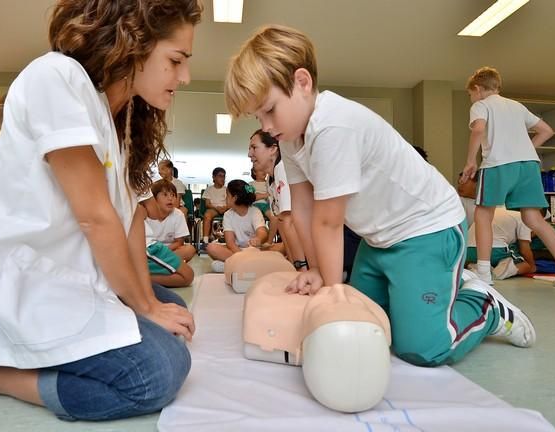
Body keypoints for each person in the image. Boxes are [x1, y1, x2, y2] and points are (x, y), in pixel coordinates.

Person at [0, 0, 202, 421]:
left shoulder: (119, 120)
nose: (185, 76)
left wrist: (148, 302)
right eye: (176, 60)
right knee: (159, 371)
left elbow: (126, 225)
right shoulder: (55, 76)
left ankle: (59, 347)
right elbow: (95, 216)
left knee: (168, 306)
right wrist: (144, 310)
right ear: (133, 44)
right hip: (14, 287)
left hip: (66, 280)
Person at [224, 25, 535, 367]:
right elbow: (303, 210)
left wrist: (330, 292)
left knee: (419, 347)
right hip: (379, 241)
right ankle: (439, 285)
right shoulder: (289, 137)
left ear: (302, 82)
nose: (265, 125)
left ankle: (485, 306)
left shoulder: (332, 126)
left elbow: (328, 222)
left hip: (428, 230)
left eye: (269, 110)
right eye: (258, 117)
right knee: (370, 324)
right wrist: (314, 271)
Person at [460, 66, 555, 288]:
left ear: (477, 88)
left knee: (483, 215)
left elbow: (478, 129)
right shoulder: (516, 106)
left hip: (497, 165)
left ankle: (483, 273)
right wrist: (525, 150)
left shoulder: (481, 105)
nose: (471, 98)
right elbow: (546, 130)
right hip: (528, 166)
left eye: (470, 94)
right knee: (534, 219)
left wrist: (471, 161)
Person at [247, 129, 307, 269]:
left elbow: (289, 221)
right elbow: (281, 221)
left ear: (273, 149)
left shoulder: (282, 169)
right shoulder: (270, 179)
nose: (249, 154)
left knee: (285, 220)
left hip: (328, 239)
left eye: (254, 148)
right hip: (305, 242)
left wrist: (300, 268)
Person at [206, 179, 268, 273]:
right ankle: (251, 265)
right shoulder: (228, 215)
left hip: (254, 251)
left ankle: (236, 265)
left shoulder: (254, 211)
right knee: (211, 248)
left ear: (234, 198)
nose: (225, 198)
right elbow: (230, 243)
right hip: (236, 251)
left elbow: (262, 232)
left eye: (227, 195)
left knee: (280, 247)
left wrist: (258, 239)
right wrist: (241, 255)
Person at [466, 208, 536, 280]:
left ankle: (477, 267)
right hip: (493, 250)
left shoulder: (495, 211)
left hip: (468, 251)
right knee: (526, 265)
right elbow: (525, 249)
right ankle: (507, 269)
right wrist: (532, 266)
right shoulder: (524, 219)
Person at [146, 179, 196, 261]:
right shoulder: (146, 214)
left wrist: (163, 252)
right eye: (165, 195)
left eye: (173, 195)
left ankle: (158, 263)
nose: (170, 198)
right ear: (154, 199)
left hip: (170, 250)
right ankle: (165, 263)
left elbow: (179, 242)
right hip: (150, 250)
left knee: (190, 250)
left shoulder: (178, 214)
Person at [249, 166, 279, 245]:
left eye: (264, 170)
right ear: (255, 172)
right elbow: (251, 197)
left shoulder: (269, 183)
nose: (264, 172)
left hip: (267, 205)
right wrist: (266, 194)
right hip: (254, 206)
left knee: (275, 218)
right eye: (261, 170)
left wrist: (259, 195)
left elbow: (274, 195)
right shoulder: (250, 184)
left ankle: (269, 241)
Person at [201, 166, 228, 244]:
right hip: (214, 209)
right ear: (214, 177)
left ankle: (229, 239)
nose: (222, 178)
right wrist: (217, 208)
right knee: (207, 215)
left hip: (226, 208)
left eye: (224, 176)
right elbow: (207, 204)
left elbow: (230, 202)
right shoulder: (209, 189)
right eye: (220, 176)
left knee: (234, 213)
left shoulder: (227, 189)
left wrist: (225, 208)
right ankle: (205, 240)